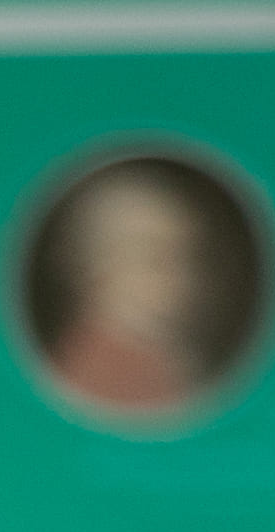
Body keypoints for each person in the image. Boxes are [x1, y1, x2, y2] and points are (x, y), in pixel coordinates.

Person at [27, 153, 257, 418]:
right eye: (157, 261)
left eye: (189, 259)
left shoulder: (165, 362)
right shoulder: (106, 373)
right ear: (97, 270)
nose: (183, 279)